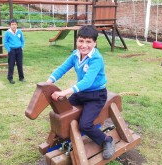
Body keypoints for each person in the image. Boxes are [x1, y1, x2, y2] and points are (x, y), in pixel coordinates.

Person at [46, 25, 115, 160]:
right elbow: (62, 68)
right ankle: (64, 135)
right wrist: (48, 82)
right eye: (81, 41)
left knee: (85, 124)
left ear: (95, 43)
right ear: (77, 41)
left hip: (96, 95)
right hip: (81, 93)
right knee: (63, 111)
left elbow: (87, 82)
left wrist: (64, 92)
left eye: (88, 42)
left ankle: (106, 140)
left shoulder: (96, 59)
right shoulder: (75, 54)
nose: (84, 45)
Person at [4, 19, 25, 84]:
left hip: (19, 50)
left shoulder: (19, 32)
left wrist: (21, 47)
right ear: (10, 25)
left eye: (15, 24)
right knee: (11, 64)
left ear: (17, 25)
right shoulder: (7, 33)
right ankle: (10, 78)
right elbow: (5, 42)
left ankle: (21, 77)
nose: (14, 26)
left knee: (20, 64)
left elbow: (22, 41)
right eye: (12, 24)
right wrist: (9, 49)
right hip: (12, 50)